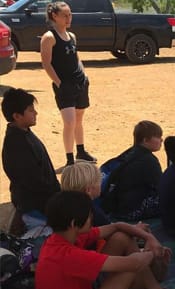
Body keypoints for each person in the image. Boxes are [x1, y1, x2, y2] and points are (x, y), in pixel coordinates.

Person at [35, 190, 175, 289]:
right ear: (73, 223)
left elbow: (117, 226)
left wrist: (148, 237)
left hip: (83, 287)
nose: (92, 217)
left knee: (121, 238)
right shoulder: (67, 255)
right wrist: (151, 251)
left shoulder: (65, 236)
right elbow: (134, 264)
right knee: (130, 267)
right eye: (89, 214)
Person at [40, 1, 96, 167]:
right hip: (64, 86)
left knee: (79, 119)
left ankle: (81, 151)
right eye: (64, 15)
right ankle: (70, 159)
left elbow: (76, 57)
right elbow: (46, 63)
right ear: (54, 16)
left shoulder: (72, 36)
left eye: (70, 14)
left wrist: (84, 75)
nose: (68, 18)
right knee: (69, 122)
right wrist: (59, 83)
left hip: (80, 82)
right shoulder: (49, 37)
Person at [1, 88, 60, 231]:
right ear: (17, 116)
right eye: (30, 110)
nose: (35, 113)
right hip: (36, 208)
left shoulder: (24, 133)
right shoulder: (17, 144)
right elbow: (33, 183)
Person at [101, 120, 163, 221]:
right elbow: (160, 186)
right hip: (130, 211)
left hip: (116, 207)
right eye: (158, 137)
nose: (161, 140)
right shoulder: (149, 160)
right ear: (145, 140)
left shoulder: (129, 153)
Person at [60, 162, 111, 226]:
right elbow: (107, 226)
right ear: (88, 190)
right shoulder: (92, 212)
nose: (100, 184)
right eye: (99, 182)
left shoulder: (61, 205)